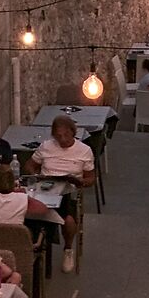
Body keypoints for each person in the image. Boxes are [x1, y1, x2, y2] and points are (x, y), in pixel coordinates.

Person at [26, 115, 95, 271]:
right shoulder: (46, 146)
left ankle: (68, 249)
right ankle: (35, 244)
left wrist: (81, 182)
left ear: (73, 132)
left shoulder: (84, 151)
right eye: (58, 136)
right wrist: (35, 176)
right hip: (45, 188)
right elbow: (29, 165)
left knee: (69, 220)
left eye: (66, 135)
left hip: (68, 190)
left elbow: (91, 178)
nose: (62, 139)